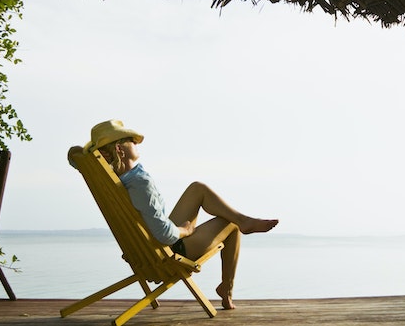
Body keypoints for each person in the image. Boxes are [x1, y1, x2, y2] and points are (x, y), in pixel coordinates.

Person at [71, 119, 278, 309]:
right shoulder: (140, 183)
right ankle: (228, 284)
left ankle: (244, 223)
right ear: (120, 148)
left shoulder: (115, 181)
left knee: (197, 188)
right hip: (169, 251)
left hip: (146, 249)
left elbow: (74, 156)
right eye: (131, 141)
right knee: (230, 224)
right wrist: (185, 230)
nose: (137, 143)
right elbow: (164, 234)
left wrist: (85, 155)